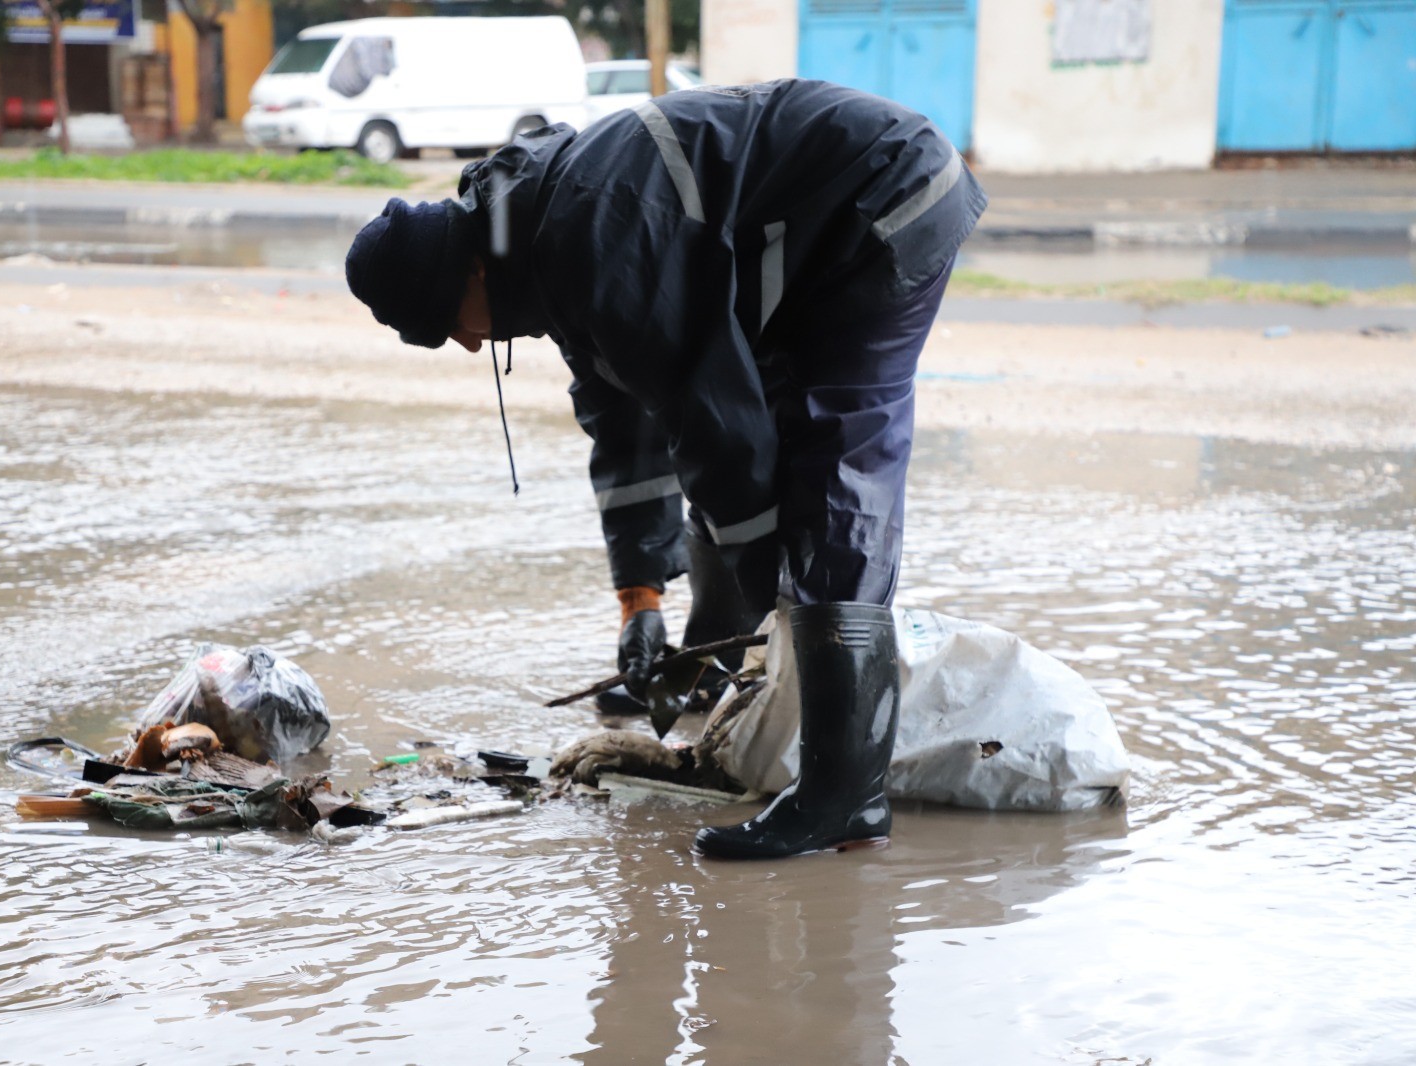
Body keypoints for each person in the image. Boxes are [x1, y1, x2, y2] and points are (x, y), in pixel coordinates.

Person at [344, 78, 985, 859]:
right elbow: (626, 431)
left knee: (830, 462)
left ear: (469, 273)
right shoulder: (543, 243)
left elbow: (713, 422)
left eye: (451, 327)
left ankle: (845, 795)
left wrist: (773, 603)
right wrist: (638, 602)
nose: (472, 345)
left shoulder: (589, 234)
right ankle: (713, 667)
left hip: (879, 200)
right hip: (810, 230)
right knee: (748, 468)